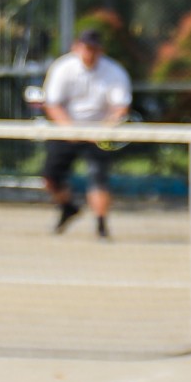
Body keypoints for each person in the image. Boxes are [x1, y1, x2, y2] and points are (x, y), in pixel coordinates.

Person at [38, 24, 134, 237]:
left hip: (98, 133)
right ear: (76, 48)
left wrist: (102, 131)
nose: (89, 53)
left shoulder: (114, 72)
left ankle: (101, 225)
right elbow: (53, 104)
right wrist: (70, 130)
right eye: (86, 47)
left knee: (98, 177)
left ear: (101, 50)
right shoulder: (62, 68)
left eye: (94, 48)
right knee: (50, 177)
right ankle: (67, 207)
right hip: (66, 130)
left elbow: (120, 108)